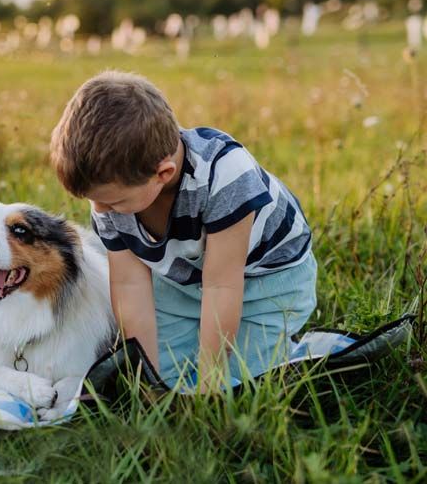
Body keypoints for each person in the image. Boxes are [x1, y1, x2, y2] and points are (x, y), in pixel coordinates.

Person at [49, 71, 316, 391]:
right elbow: (130, 284)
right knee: (163, 373)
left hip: (266, 282)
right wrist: (148, 379)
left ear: (163, 173)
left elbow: (222, 286)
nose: (101, 210)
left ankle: (276, 340)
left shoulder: (226, 176)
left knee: (239, 378)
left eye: (113, 202)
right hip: (185, 280)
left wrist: (210, 379)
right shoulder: (114, 196)